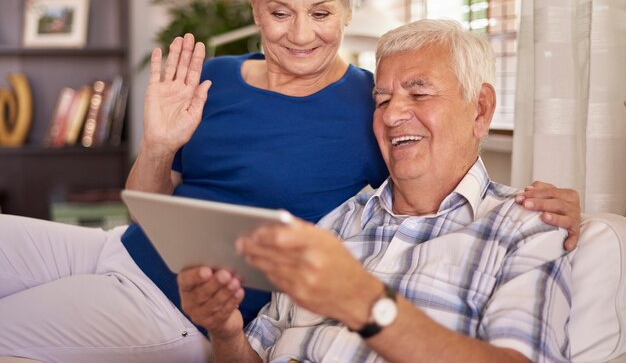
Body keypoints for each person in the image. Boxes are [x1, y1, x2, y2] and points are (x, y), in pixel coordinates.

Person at [0, 0, 578, 362]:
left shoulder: (376, 107)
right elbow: (144, 212)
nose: (301, 35)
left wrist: (554, 203)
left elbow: (446, 170)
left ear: (348, 11)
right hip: (123, 251)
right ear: (254, 7)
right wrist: (157, 143)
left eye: (321, 13)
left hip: (179, 308)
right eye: (281, 12)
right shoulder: (211, 80)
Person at [179, 19, 572, 363]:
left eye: (418, 94)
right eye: (381, 100)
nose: (392, 115)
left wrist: (366, 302)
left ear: (481, 109)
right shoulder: (336, 223)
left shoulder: (524, 228)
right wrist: (227, 332)